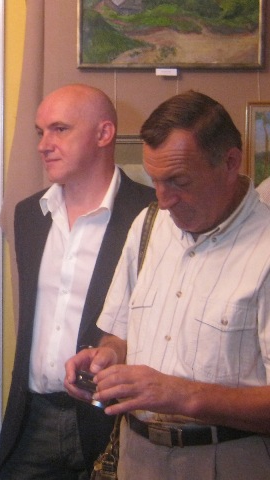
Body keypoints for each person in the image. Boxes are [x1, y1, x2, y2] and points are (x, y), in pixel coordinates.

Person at [65, 90, 270, 479]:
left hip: (227, 460)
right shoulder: (147, 225)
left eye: (178, 181)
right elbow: (119, 335)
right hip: (136, 456)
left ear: (230, 162)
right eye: (154, 180)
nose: (164, 199)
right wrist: (107, 357)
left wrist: (184, 395)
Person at [0, 84, 155, 479]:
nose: (43, 145)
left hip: (112, 421)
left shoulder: (152, 215)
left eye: (60, 129)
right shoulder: (29, 214)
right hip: (32, 419)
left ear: (104, 133)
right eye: (40, 131)